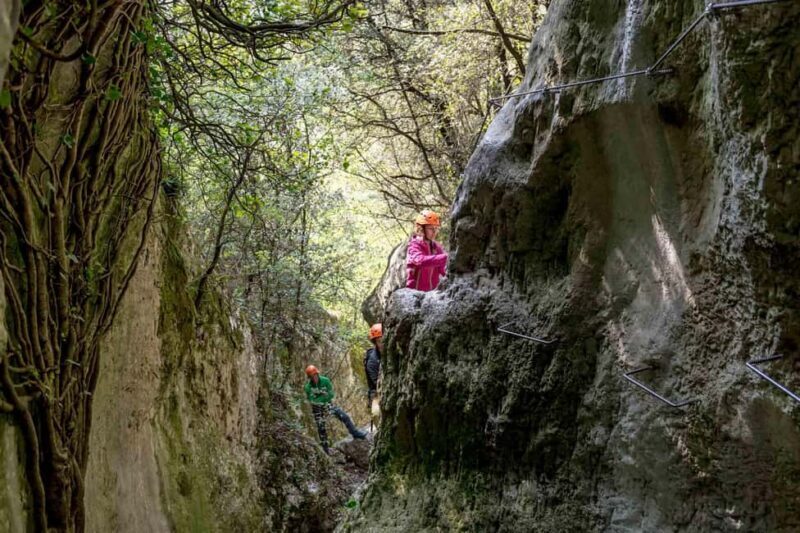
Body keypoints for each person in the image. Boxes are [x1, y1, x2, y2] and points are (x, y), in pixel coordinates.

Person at [304, 365, 366, 454]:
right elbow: (312, 400)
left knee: (344, 416)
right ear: (309, 378)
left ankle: (355, 433)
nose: (314, 378)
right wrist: (323, 397)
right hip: (317, 408)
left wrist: (320, 398)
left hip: (328, 405)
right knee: (321, 428)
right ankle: (325, 450)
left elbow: (331, 394)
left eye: (315, 375)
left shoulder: (325, 380)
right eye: (312, 377)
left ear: (317, 374)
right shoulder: (308, 387)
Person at [406, 209, 448, 291]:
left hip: (432, 294)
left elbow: (443, 270)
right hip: (415, 294)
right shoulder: (414, 245)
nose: (434, 232)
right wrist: (445, 257)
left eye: (436, 228)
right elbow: (420, 261)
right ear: (421, 228)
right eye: (431, 228)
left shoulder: (436, 247)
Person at [364, 323, 382, 407]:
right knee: (376, 412)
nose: (382, 344)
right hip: (375, 391)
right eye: (379, 341)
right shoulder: (372, 361)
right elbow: (376, 383)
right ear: (375, 343)